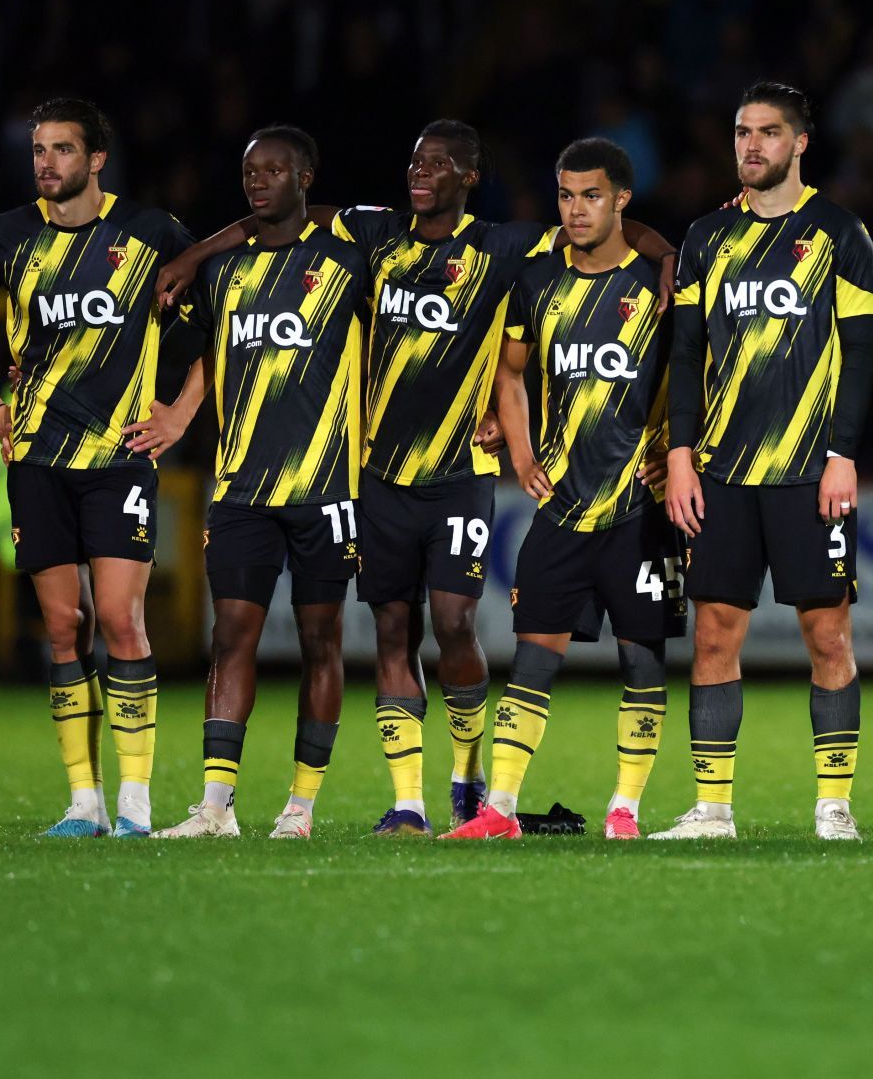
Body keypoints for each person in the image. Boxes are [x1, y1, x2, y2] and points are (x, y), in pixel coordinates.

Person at [159, 123, 675, 835]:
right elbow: (277, 216)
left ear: (469, 175)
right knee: (392, 628)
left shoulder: (500, 245)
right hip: (380, 478)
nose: (420, 172)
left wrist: (667, 252)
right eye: (414, 161)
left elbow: (600, 229)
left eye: (438, 163)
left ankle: (468, 776)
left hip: (460, 474)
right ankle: (408, 799)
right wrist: (195, 254)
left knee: (455, 623)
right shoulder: (377, 235)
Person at [0, 98, 197, 838]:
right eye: (38, 149)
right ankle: (84, 801)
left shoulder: (149, 234)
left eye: (61, 149)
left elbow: (220, 319)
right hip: (39, 459)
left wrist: (177, 414)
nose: (46, 162)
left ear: (97, 158)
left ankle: (136, 801)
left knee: (120, 618)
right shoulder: (6, 236)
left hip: (118, 457)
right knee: (61, 625)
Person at [655, 82, 873, 841]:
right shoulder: (705, 238)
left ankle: (834, 804)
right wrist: (679, 454)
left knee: (828, 636)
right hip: (720, 471)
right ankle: (712, 808)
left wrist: (844, 454)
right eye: (743, 132)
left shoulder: (840, 234)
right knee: (714, 633)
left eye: (769, 132)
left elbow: (860, 355)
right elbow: (686, 354)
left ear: (801, 142)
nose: (752, 145)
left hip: (810, 472)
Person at [448, 138, 681, 842]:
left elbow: (694, 379)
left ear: (621, 201)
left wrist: (676, 453)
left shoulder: (658, 285)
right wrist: (521, 452)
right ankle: (503, 809)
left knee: (643, 660)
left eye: (591, 195)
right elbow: (510, 372)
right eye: (566, 195)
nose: (576, 210)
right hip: (562, 506)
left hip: (639, 507)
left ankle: (626, 810)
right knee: (534, 655)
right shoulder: (538, 279)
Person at [155, 126, 368, 840]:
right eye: (251, 169)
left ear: (306, 177)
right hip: (241, 487)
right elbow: (209, 356)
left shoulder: (348, 260)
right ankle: (216, 805)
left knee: (320, 640)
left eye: (275, 168)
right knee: (232, 634)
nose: (259, 179)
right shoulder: (223, 273)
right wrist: (182, 413)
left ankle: (301, 806)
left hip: (324, 487)